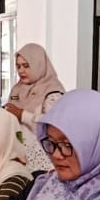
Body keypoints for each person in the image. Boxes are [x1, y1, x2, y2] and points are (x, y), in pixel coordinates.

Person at [5, 43, 65, 172]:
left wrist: (22, 114)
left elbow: (53, 127)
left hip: (42, 164)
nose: (21, 71)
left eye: (26, 66)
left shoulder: (53, 92)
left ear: (39, 65)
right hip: (18, 159)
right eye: (18, 66)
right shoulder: (17, 89)